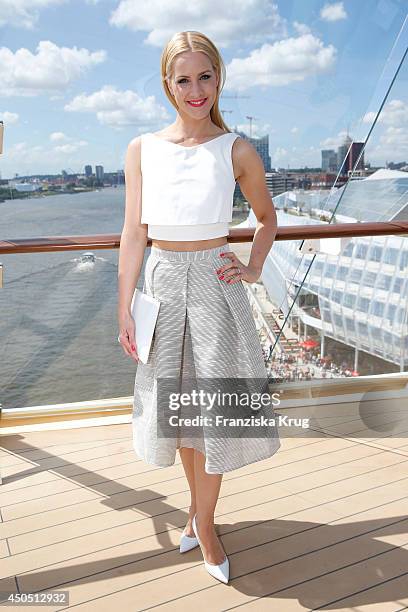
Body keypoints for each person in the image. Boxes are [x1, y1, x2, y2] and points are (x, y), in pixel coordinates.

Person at [117, 30, 281, 585]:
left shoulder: (236, 149)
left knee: (213, 412)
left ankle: (206, 524)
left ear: (219, 79)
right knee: (181, 411)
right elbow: (132, 235)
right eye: (183, 78)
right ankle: (197, 509)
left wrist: (253, 267)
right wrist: (123, 309)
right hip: (162, 283)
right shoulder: (142, 148)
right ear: (168, 83)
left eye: (204, 76)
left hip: (215, 283)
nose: (195, 89)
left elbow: (266, 218)